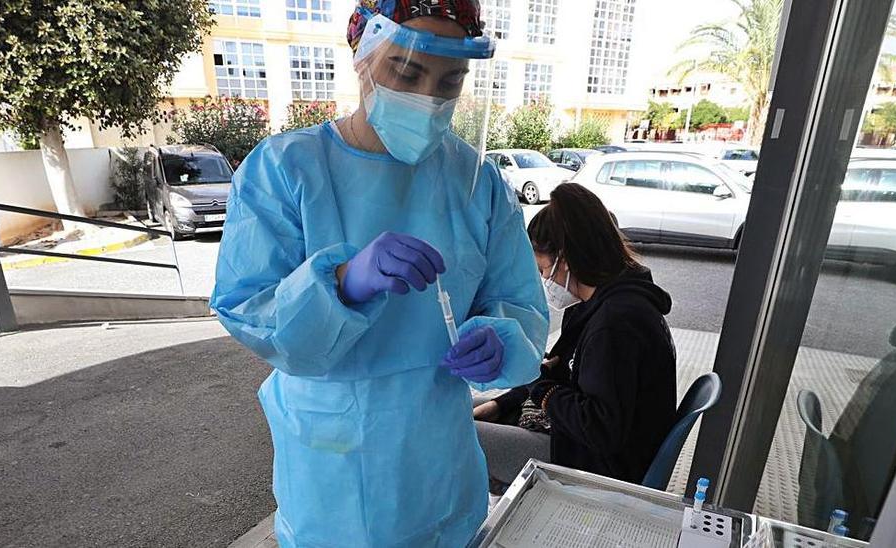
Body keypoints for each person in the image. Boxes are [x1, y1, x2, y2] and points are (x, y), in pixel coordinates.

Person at [211, 2, 548, 547]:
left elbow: (520, 302)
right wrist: (340, 282)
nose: (429, 98)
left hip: (439, 460)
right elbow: (247, 308)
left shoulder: (475, 180)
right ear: (362, 57)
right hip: (331, 471)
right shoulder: (286, 169)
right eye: (407, 71)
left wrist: (500, 336)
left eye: (451, 80)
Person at [473, 183, 677, 490]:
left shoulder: (617, 325)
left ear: (565, 259)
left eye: (543, 269)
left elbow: (599, 428)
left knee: (451, 436)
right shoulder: (596, 302)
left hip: (600, 465)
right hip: (586, 441)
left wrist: (540, 390)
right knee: (464, 410)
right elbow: (554, 373)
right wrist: (502, 405)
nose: (542, 279)